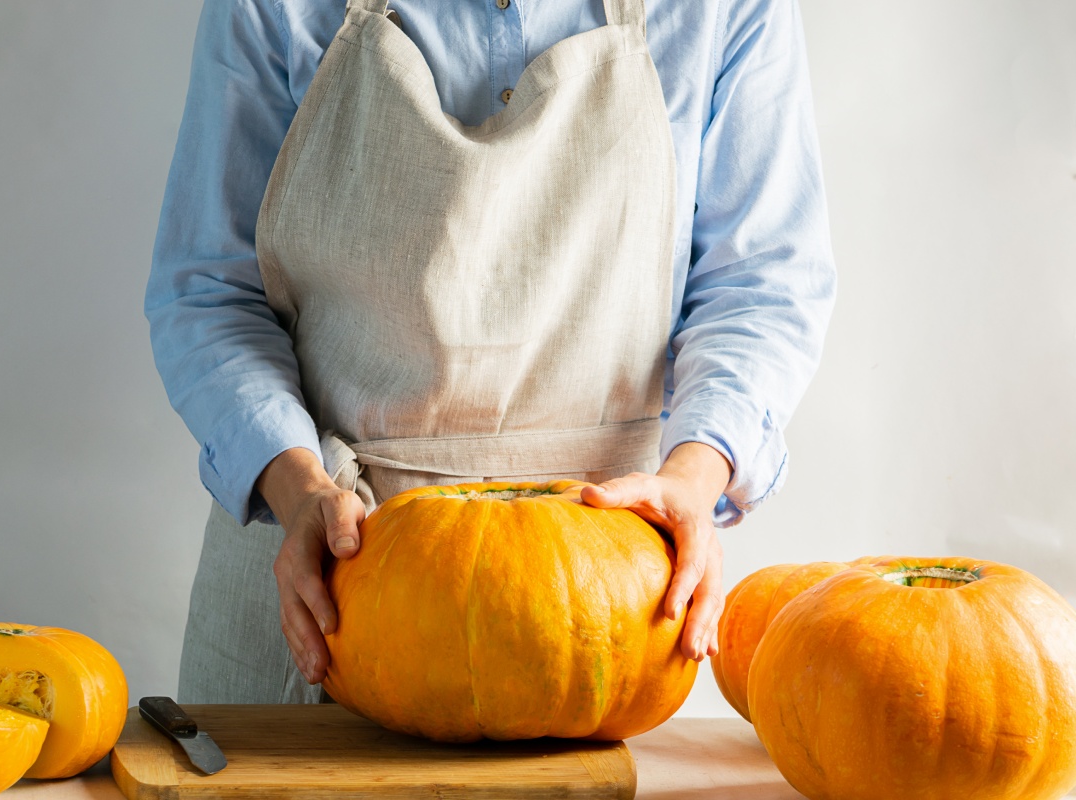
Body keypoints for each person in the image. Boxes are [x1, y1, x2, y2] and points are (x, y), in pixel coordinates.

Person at [146, 0, 836, 705]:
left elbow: (760, 283)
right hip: (317, 572)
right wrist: (298, 491)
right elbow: (209, 288)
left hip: (597, 603)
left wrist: (694, 478)